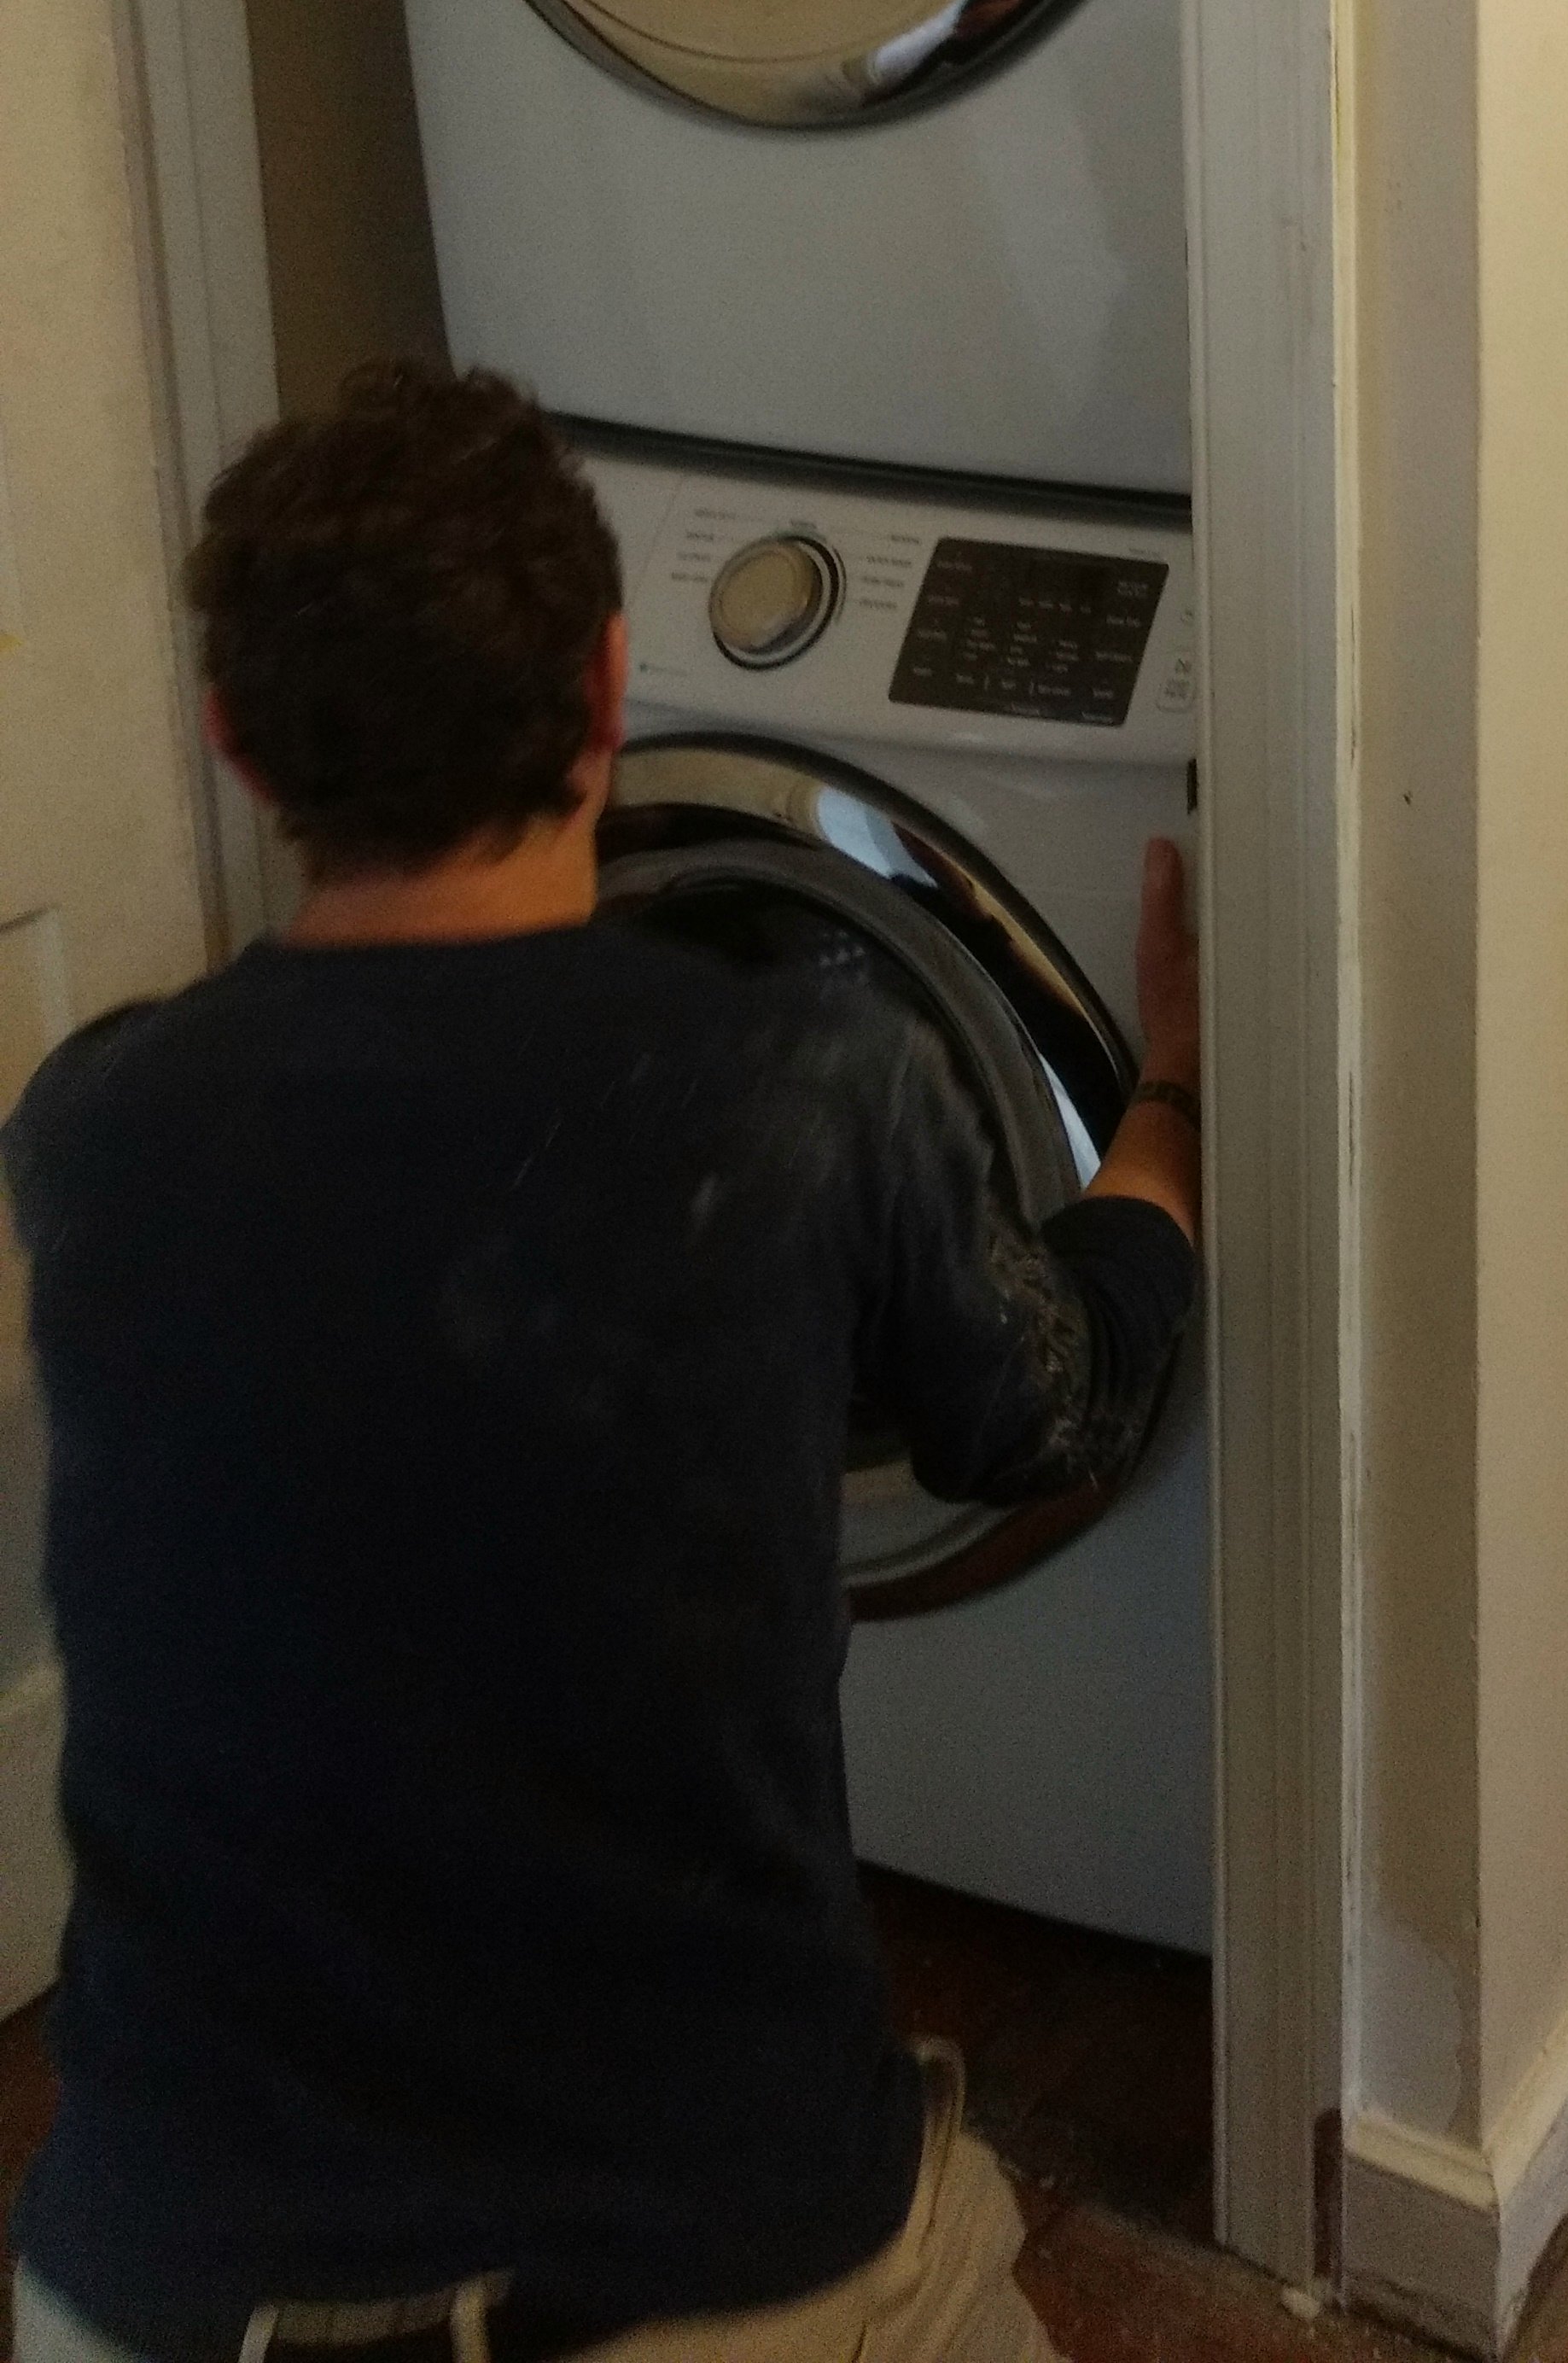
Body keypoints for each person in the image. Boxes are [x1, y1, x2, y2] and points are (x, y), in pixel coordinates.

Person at [3, 363, 1204, 2360]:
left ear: (236, 746)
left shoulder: (94, 1129)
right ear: (603, 694)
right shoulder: (802, 1085)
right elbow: (1049, 1403)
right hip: (700, 2251)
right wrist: (1161, 1110)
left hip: (160, 2283)